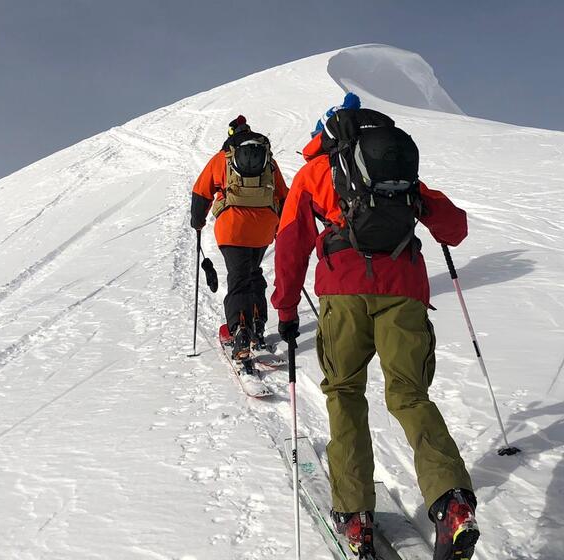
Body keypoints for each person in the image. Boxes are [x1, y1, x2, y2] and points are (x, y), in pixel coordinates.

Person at [272, 96, 479, 560]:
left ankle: (355, 515)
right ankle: (453, 503)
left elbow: (290, 245)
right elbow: (455, 228)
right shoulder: (397, 177)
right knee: (410, 396)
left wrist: (286, 307)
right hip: (405, 289)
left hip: (343, 291)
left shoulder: (315, 174)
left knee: (345, 390)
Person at [191, 115, 288, 361]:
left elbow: (201, 191)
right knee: (254, 273)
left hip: (232, 228)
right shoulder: (268, 161)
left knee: (238, 278)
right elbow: (283, 195)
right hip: (263, 228)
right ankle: (257, 325)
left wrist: (198, 221)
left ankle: (239, 332)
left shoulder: (222, 159)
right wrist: (280, 226)